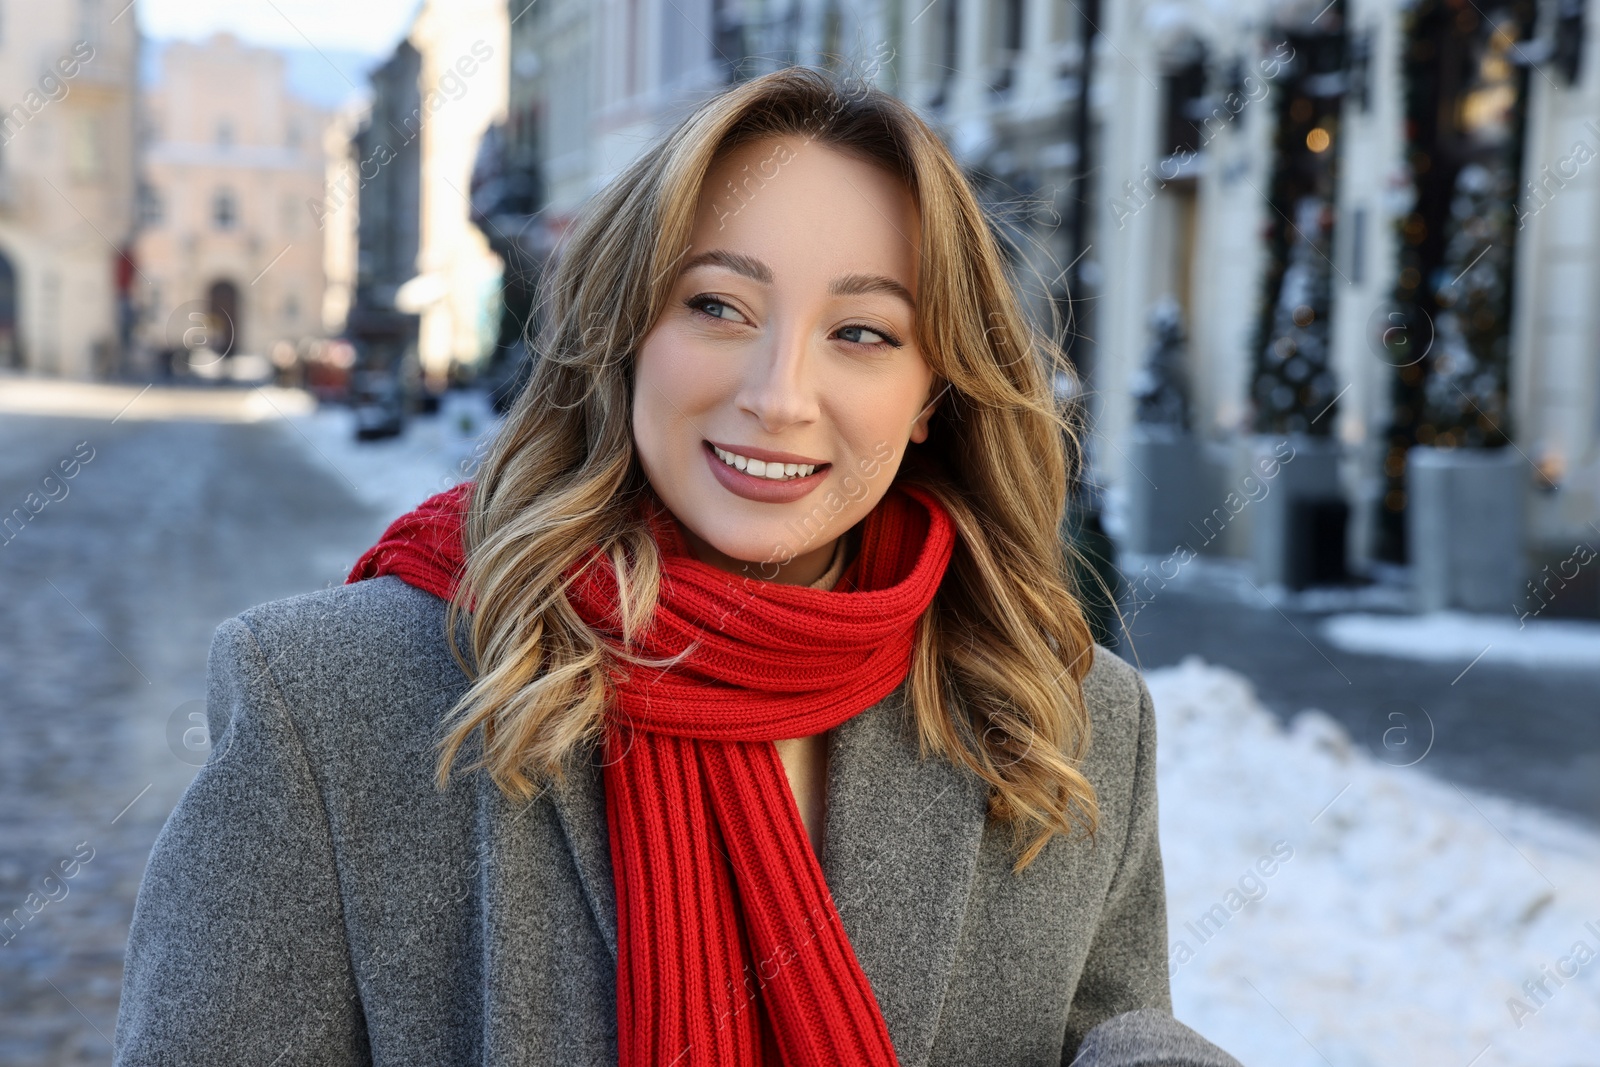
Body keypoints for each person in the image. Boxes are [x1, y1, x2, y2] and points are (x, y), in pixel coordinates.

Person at [113, 67, 1241, 1066]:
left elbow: (1103, 1024)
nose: (777, 394)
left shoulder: (1065, 719)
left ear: (932, 391)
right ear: (626, 332)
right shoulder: (334, 701)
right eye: (716, 305)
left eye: (862, 332)